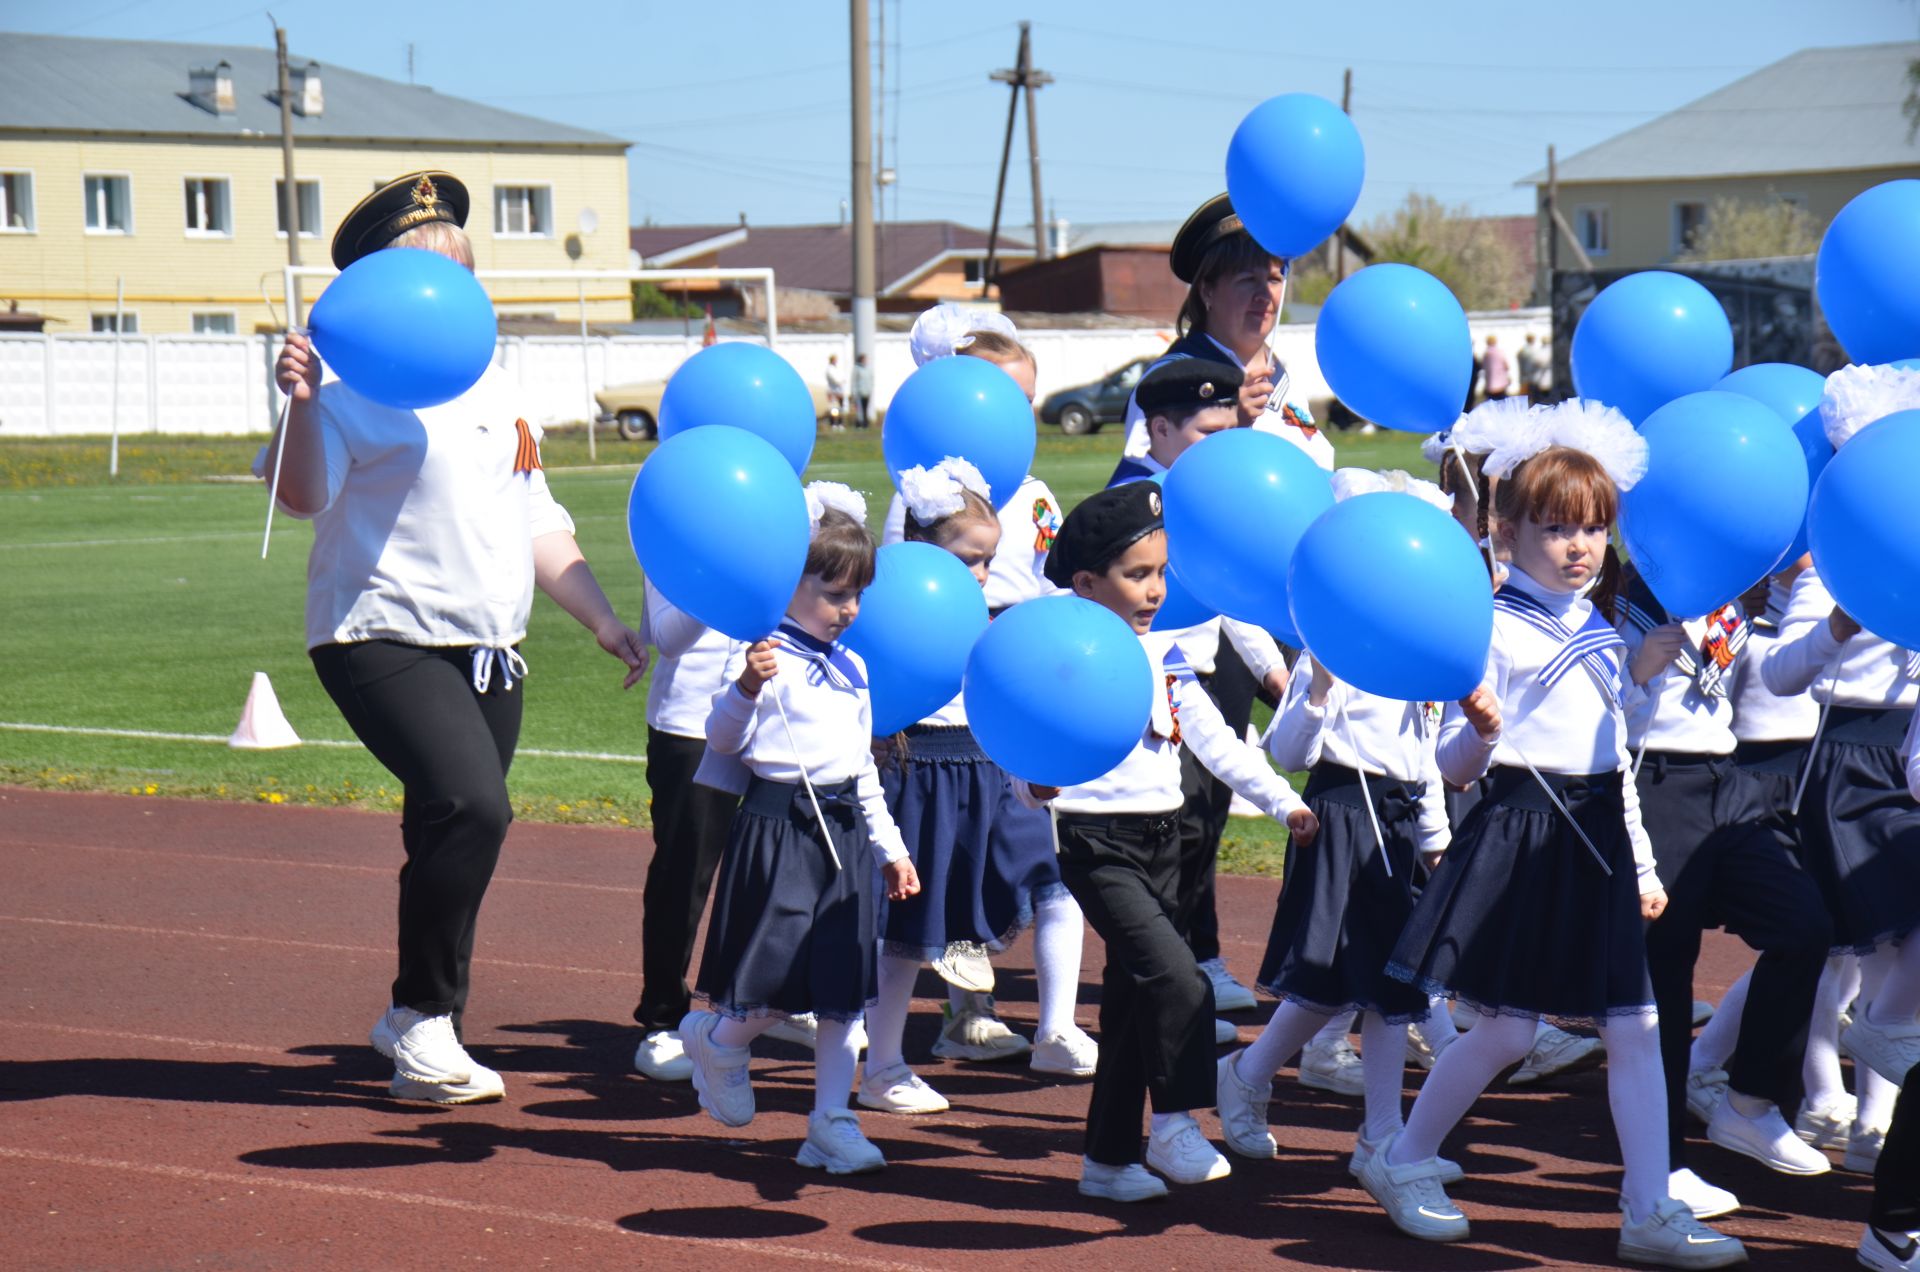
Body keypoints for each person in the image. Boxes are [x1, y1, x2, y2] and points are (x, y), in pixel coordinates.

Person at [256, 171, 649, 1105]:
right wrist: (302, 404)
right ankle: (431, 1022)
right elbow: (301, 497)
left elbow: (538, 516)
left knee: (446, 829)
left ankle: (407, 1019)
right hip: (376, 633)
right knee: (474, 807)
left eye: (465, 273)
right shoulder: (345, 390)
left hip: (489, 649)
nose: (455, 292)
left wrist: (600, 618)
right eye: (433, 273)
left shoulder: (503, 388)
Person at [1364, 401, 1746, 1269]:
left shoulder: (1608, 632)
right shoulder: (1490, 625)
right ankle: (1403, 1158)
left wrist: (1643, 862)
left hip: (1598, 836)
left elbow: (1616, 765)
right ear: (1505, 532)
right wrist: (1482, 728)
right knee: (1506, 1033)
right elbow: (1456, 768)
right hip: (1518, 836)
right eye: (1556, 530)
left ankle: (1647, 1208)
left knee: (1638, 1026)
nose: (1579, 548)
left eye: (1594, 531)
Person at [1017, 482, 1320, 1203]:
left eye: (1160, 573)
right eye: (1136, 575)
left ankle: (1107, 1159)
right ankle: (1177, 1119)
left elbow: (1216, 740)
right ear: (1086, 582)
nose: (1155, 591)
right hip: (1096, 843)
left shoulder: (1166, 652)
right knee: (1179, 980)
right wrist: (1037, 786)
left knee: (1129, 1005)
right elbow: (1018, 740)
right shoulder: (1058, 650)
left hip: (1168, 839)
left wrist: (1283, 802)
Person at [1216, 468, 1453, 1179]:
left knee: (1388, 981)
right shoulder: (1332, 647)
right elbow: (1286, 753)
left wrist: (1436, 836)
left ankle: (1375, 1129)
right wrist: (1315, 690)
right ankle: (1258, 1078)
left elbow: (1427, 754)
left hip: (1402, 821)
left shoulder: (1424, 644)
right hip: (1341, 816)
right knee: (1338, 979)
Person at [678, 483, 921, 1175]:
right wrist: (747, 688)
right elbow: (722, 740)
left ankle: (830, 1121)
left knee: (844, 987)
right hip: (779, 829)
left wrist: (891, 849)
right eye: (833, 592)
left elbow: (861, 766)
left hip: (842, 832)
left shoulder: (854, 667)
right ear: (785, 584)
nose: (848, 609)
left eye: (857, 595)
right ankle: (722, 1041)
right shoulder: (761, 657)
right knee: (778, 974)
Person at [860, 459, 1098, 1117]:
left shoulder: (990, 621)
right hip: (921, 774)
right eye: (970, 560)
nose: (983, 576)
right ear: (919, 558)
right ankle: (881, 1065)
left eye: (989, 561)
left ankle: (1057, 1027)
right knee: (908, 930)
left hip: (987, 769)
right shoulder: (893, 618)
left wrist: (1032, 777)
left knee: (1052, 877)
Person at [879, 305, 1072, 1064]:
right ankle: (954, 1014)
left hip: (1012, 700)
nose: (1010, 417)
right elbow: (905, 610)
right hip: (942, 716)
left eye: (1023, 402)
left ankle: (1051, 1025)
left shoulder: (1038, 495)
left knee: (1036, 861)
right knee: (930, 875)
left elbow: (1055, 589)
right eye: (996, 397)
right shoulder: (918, 499)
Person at [1613, 561, 1833, 1222]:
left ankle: (1749, 1102)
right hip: (1656, 784)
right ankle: (1664, 1165)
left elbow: (1762, 682)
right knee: (1666, 975)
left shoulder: (1733, 593)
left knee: (1805, 926)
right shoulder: (1627, 597)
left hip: (1725, 782)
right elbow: (1600, 707)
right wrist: (1638, 671)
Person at [1105, 358, 1297, 1056]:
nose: (1220, 450)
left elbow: (1233, 594)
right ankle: (1173, 992)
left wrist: (1275, 673)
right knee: (1161, 848)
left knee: (1195, 836)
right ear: (1157, 428)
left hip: (1196, 686)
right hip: (1145, 696)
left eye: (1228, 432)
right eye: (1204, 433)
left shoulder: (1207, 496)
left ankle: (1178, 986)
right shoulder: (1133, 505)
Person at [1761, 363, 1920, 1178]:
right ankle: (1837, 1098)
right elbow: (1781, 674)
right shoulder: (1828, 564)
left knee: (1884, 952)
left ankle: (1871, 1117)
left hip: (1911, 752)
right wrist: (1839, 625)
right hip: (1847, 762)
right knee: (1859, 948)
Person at [629, 581, 746, 1081]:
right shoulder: (681, 526)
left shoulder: (788, 518)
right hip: (692, 723)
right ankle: (664, 1017)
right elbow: (669, 638)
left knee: (784, 861)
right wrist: (727, 569)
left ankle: (770, 1002)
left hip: (780, 715)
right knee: (686, 872)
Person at [1482, 335, 1511, 401]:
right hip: (1501, 383)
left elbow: (1483, 367)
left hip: (1490, 383)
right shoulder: (1499, 352)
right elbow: (1506, 366)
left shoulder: (1486, 354)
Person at [823, 353, 847, 430]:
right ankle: (833, 423)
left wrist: (842, 381)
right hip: (833, 390)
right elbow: (834, 379)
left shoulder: (837, 368)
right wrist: (839, 381)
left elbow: (842, 377)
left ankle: (840, 423)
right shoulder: (829, 369)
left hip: (839, 391)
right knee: (834, 408)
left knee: (840, 408)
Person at [852, 353, 874, 430]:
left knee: (865, 408)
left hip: (867, 392)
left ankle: (865, 423)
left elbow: (871, 380)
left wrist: (870, 389)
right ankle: (859, 423)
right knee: (859, 409)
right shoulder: (857, 369)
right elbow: (854, 381)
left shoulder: (868, 369)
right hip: (859, 392)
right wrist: (854, 392)